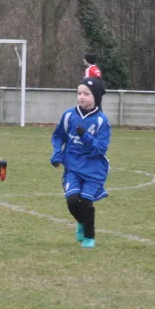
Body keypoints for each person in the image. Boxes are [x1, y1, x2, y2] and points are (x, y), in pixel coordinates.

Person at [50, 77, 110, 248]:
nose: (81, 97)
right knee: (72, 200)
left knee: (85, 202)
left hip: (93, 168)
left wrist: (85, 136)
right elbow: (58, 136)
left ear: (96, 97)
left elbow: (100, 149)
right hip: (73, 167)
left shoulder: (101, 121)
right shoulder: (69, 115)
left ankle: (89, 237)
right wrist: (57, 154)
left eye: (86, 94)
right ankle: (82, 223)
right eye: (79, 93)